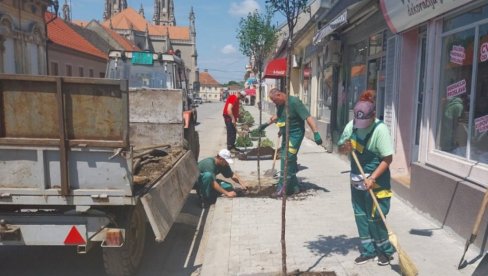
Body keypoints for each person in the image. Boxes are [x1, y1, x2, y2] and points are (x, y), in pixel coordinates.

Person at [337, 90, 395, 266]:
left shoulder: (380, 130)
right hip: (357, 180)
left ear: (373, 116)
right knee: (361, 215)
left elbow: (388, 159)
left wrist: (373, 178)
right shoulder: (351, 126)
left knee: (376, 216)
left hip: (377, 181)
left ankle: (385, 251)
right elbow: (341, 147)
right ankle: (368, 250)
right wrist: (344, 148)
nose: (360, 125)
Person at [260, 88, 322, 196]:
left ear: (279, 95)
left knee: (286, 158)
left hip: (295, 135)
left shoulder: (294, 102)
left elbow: (308, 117)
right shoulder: (280, 105)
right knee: (290, 160)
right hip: (286, 135)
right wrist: (266, 124)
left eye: (275, 100)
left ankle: (283, 188)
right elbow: (279, 117)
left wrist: (315, 133)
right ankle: (294, 186)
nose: (275, 103)